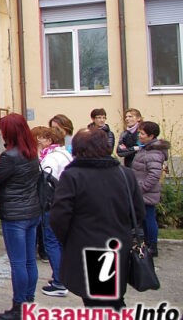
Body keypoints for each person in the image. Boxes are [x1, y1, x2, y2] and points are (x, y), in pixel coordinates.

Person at [51, 128, 145, 310]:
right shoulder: (125, 174)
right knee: (113, 300)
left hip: (87, 246)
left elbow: (59, 217)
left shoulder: (73, 175)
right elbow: (138, 213)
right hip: (117, 245)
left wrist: (70, 239)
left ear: (78, 148)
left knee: (98, 305)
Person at [0, 114, 41, 320]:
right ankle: (28, 300)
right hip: (31, 210)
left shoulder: (10, 156)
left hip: (15, 214)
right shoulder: (31, 152)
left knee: (17, 262)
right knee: (29, 260)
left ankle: (19, 306)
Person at [31, 126, 72, 297]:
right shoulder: (63, 153)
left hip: (51, 204)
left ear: (49, 140)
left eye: (40, 138)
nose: (37, 141)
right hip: (64, 203)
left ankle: (59, 282)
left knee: (51, 242)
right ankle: (63, 277)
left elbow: (45, 180)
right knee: (59, 242)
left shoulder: (51, 158)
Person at [131, 121, 169, 258]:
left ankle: (152, 246)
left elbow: (154, 175)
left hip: (146, 192)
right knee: (145, 219)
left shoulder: (154, 152)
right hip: (141, 191)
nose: (139, 136)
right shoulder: (146, 149)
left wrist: (140, 189)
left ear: (151, 136)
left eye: (142, 133)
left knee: (148, 219)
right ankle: (147, 243)